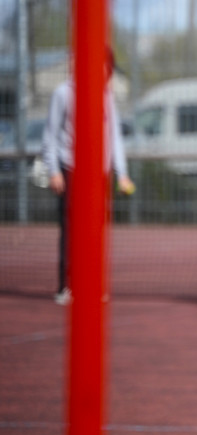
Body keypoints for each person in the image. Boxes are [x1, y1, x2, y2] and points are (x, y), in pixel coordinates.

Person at [41, 49, 135, 305]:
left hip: (99, 176)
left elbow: (114, 138)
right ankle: (66, 286)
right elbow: (50, 135)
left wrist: (122, 174)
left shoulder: (106, 96)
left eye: (108, 68)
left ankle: (93, 284)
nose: (106, 73)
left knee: (96, 232)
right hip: (70, 169)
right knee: (71, 230)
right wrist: (53, 170)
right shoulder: (63, 93)